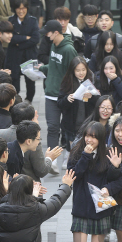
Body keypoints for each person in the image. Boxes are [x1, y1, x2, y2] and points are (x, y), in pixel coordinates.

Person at [67, 122, 122, 242]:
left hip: (100, 208)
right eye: (87, 135)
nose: (89, 139)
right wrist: (85, 156)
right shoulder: (77, 152)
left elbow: (121, 178)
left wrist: (110, 183)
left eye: (94, 136)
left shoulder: (109, 153)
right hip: (81, 205)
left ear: (101, 139)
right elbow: (73, 175)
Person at [39, 20, 78, 174]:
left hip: (65, 95)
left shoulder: (68, 50)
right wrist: (41, 68)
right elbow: (55, 66)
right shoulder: (54, 45)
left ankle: (69, 156)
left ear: (56, 33)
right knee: (53, 128)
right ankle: (52, 161)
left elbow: (74, 71)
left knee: (68, 129)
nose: (46, 35)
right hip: (50, 94)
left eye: (47, 32)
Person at [0, 102, 59, 180]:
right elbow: (41, 170)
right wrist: (49, 158)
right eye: (35, 117)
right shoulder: (33, 140)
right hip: (28, 185)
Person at [57, 57, 98, 168]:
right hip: (71, 123)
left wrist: (91, 97)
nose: (81, 73)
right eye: (78, 70)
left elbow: (99, 101)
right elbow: (60, 103)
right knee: (72, 145)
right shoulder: (67, 82)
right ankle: (69, 159)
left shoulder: (92, 80)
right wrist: (67, 99)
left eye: (83, 70)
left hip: (87, 121)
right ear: (73, 70)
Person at [6, 0, 40, 102]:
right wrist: (25, 38)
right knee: (14, 79)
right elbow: (11, 38)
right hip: (14, 55)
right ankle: (16, 100)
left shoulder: (33, 20)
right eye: (18, 8)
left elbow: (35, 39)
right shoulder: (10, 21)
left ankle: (29, 99)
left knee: (30, 80)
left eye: (23, 8)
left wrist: (19, 44)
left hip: (30, 55)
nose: (21, 11)